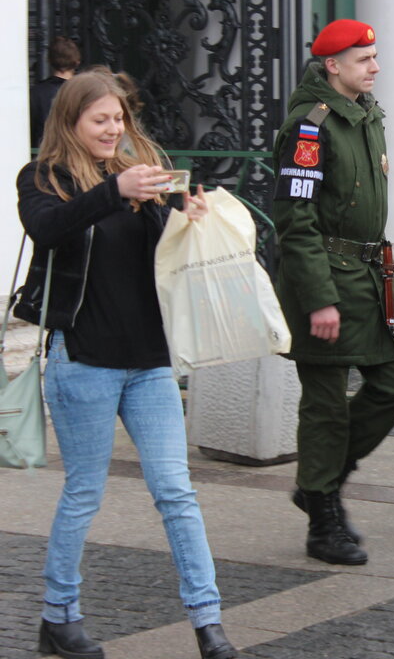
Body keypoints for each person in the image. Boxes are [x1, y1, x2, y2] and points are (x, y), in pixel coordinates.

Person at [17, 68, 237, 659]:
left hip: (149, 361)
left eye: (119, 118)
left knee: (176, 492)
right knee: (84, 491)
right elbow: (48, 229)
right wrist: (113, 193)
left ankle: (208, 624)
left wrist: (184, 219)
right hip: (83, 358)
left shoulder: (139, 176)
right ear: (71, 121)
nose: (114, 129)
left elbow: (160, 260)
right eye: (100, 120)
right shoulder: (43, 179)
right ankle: (59, 617)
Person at [272, 19, 394, 566]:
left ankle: (320, 479)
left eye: (375, 57)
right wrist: (318, 298)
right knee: (326, 405)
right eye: (364, 59)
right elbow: (296, 220)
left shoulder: (366, 115)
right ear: (333, 66)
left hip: (371, 275)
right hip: (328, 278)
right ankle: (323, 517)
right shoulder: (311, 128)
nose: (375, 67)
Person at [30, 36, 82, 147]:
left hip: (45, 154)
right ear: (77, 62)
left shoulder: (36, 92)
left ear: (49, 61)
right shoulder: (84, 92)